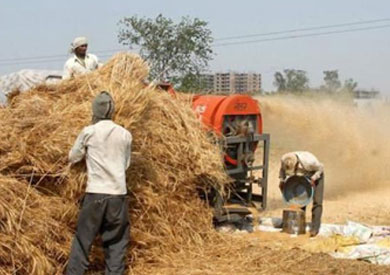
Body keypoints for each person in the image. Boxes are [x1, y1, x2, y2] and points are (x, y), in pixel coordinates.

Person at [66, 91, 132, 275]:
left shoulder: (89, 131)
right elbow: (125, 165)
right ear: (112, 112)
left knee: (83, 240)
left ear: (94, 111)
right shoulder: (125, 134)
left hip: (95, 194)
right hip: (118, 195)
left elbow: (73, 157)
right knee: (116, 243)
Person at [279, 151, 324, 237]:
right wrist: (281, 180)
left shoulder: (309, 162)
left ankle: (315, 228)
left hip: (316, 174)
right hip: (302, 176)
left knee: (317, 202)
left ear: (296, 164)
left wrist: (313, 179)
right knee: (300, 201)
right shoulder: (284, 158)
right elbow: (282, 170)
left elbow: (321, 168)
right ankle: (298, 226)